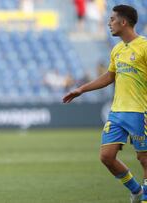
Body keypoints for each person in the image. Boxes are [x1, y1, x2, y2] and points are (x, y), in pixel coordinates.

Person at [63, 5, 147, 203]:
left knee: (144, 160)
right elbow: (110, 76)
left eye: (112, 19)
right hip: (117, 112)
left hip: (140, 112)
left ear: (123, 22)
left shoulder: (144, 47)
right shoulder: (117, 49)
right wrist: (81, 89)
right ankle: (136, 190)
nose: (109, 23)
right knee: (106, 157)